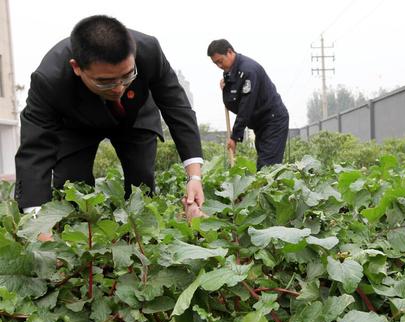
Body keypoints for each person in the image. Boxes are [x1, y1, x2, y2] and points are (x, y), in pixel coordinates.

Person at [14, 15, 204, 222]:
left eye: (127, 76)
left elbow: (177, 107)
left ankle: (141, 235)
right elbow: (34, 150)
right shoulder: (49, 78)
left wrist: (194, 176)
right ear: (77, 67)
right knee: (72, 189)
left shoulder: (149, 50)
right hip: (77, 126)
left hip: (134, 117)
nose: (118, 88)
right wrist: (37, 224)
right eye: (105, 82)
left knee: (141, 185)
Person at [207, 39, 289, 169]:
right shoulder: (230, 73)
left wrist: (234, 137)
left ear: (229, 52)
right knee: (264, 165)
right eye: (215, 63)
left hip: (273, 121)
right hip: (261, 124)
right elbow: (232, 102)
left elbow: (246, 106)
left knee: (267, 168)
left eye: (220, 61)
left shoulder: (249, 70)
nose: (219, 66)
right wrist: (226, 88)